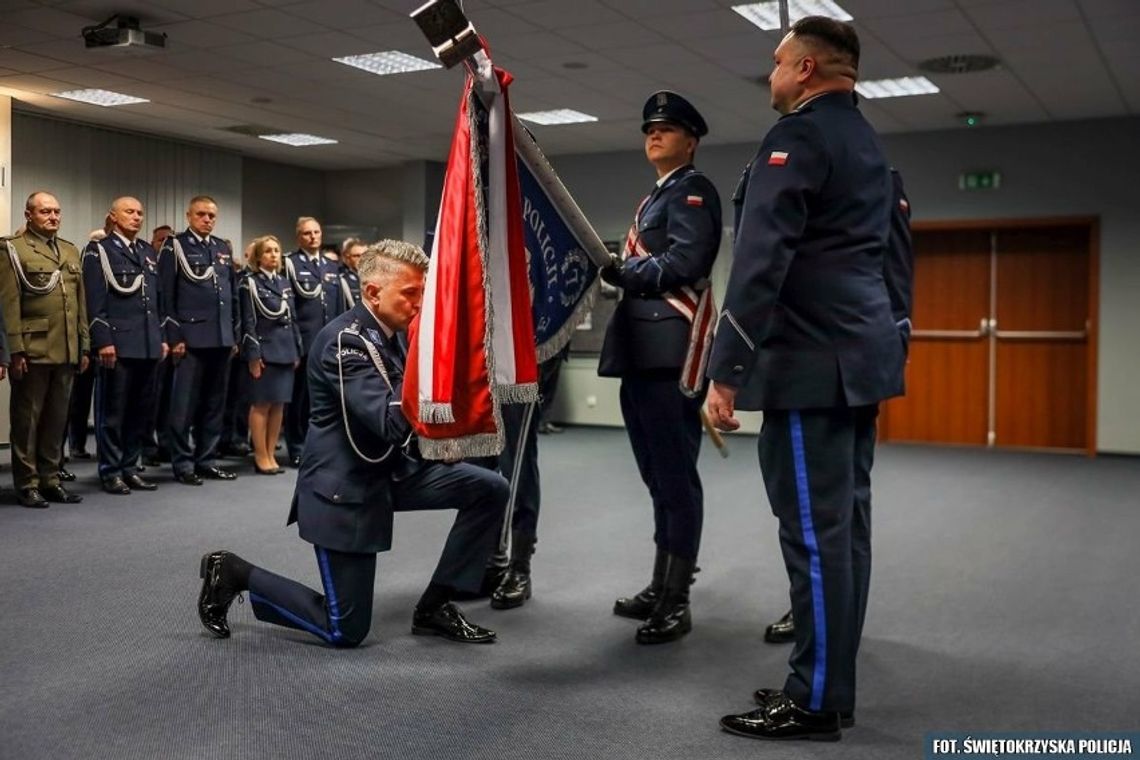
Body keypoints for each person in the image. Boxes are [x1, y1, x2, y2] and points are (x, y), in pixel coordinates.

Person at [705, 17, 906, 741]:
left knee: (815, 538)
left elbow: (762, 262)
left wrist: (725, 372)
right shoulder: (866, 142)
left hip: (808, 366)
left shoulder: (797, 137)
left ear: (810, 70)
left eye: (779, 61)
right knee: (845, 530)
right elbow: (885, 262)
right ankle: (830, 681)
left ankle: (816, 700)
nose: (772, 73)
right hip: (857, 360)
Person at [196, 240, 508, 647]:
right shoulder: (346, 343)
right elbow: (390, 422)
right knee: (345, 630)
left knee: (490, 488)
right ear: (373, 293)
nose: (419, 305)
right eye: (410, 294)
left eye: (422, 293)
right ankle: (234, 572)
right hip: (345, 487)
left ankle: (437, 603)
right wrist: (431, 366)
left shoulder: (394, 332)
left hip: (391, 471)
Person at [760, 167, 914, 646]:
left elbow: (896, 276)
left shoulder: (873, 179)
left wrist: (886, 355)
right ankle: (823, 624)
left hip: (840, 366)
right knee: (826, 518)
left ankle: (834, 633)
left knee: (833, 518)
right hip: (806, 361)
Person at [597, 90, 721, 645]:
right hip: (642, 355)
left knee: (675, 478)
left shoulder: (694, 191)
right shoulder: (657, 195)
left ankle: (677, 600)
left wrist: (624, 272)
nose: (654, 134)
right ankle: (659, 583)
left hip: (670, 353)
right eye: (649, 128)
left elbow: (686, 263)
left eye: (666, 129)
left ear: (690, 142)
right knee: (655, 476)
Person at [0, 192, 90, 507]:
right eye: (45, 211)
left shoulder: (69, 250)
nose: (53, 216)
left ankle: (51, 479)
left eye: (56, 211)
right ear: (29, 214)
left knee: (56, 420)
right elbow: (8, 303)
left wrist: (83, 345)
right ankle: (27, 484)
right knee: (27, 420)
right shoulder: (13, 249)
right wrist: (14, 350)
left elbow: (80, 304)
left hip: (65, 349)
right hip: (33, 348)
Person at [83, 197, 166, 494]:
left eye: (140, 213)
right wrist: (102, 341)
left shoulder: (146, 251)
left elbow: (156, 301)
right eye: (129, 212)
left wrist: (162, 338)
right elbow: (95, 301)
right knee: (113, 413)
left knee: (140, 412)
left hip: (147, 344)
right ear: (113, 217)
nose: (136, 217)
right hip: (117, 344)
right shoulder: (99, 251)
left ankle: (130, 467)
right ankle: (111, 470)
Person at [158, 196, 241, 486]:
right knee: (184, 406)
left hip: (220, 338)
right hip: (190, 339)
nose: (207, 220)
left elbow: (231, 294)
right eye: (201, 214)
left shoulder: (220, 248)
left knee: (214, 404)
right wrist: (174, 334)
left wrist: (234, 334)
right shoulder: (175, 245)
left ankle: (206, 459)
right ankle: (182, 463)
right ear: (189, 215)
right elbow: (165, 295)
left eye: (211, 216)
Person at [283, 217, 344, 467]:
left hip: (327, 343)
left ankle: (317, 446)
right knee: (298, 400)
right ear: (299, 237)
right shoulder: (290, 264)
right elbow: (289, 307)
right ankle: (296, 447)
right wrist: (294, 342)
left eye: (317, 232)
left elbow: (339, 307)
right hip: (304, 342)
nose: (313, 237)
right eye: (307, 233)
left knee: (322, 399)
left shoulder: (331, 266)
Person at [239, 235, 302, 474]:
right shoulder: (250, 283)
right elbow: (248, 322)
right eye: (268, 251)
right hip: (265, 351)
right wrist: (253, 356)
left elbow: (292, 319)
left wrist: (296, 350)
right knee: (261, 405)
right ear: (258, 257)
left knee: (279, 406)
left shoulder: (284, 283)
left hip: (285, 350)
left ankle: (271, 453)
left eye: (277, 250)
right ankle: (260, 455)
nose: (274, 255)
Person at [338, 237, 364, 309]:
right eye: (357, 256)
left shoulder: (374, 276)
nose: (361, 259)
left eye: (364, 255)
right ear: (347, 257)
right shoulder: (341, 277)